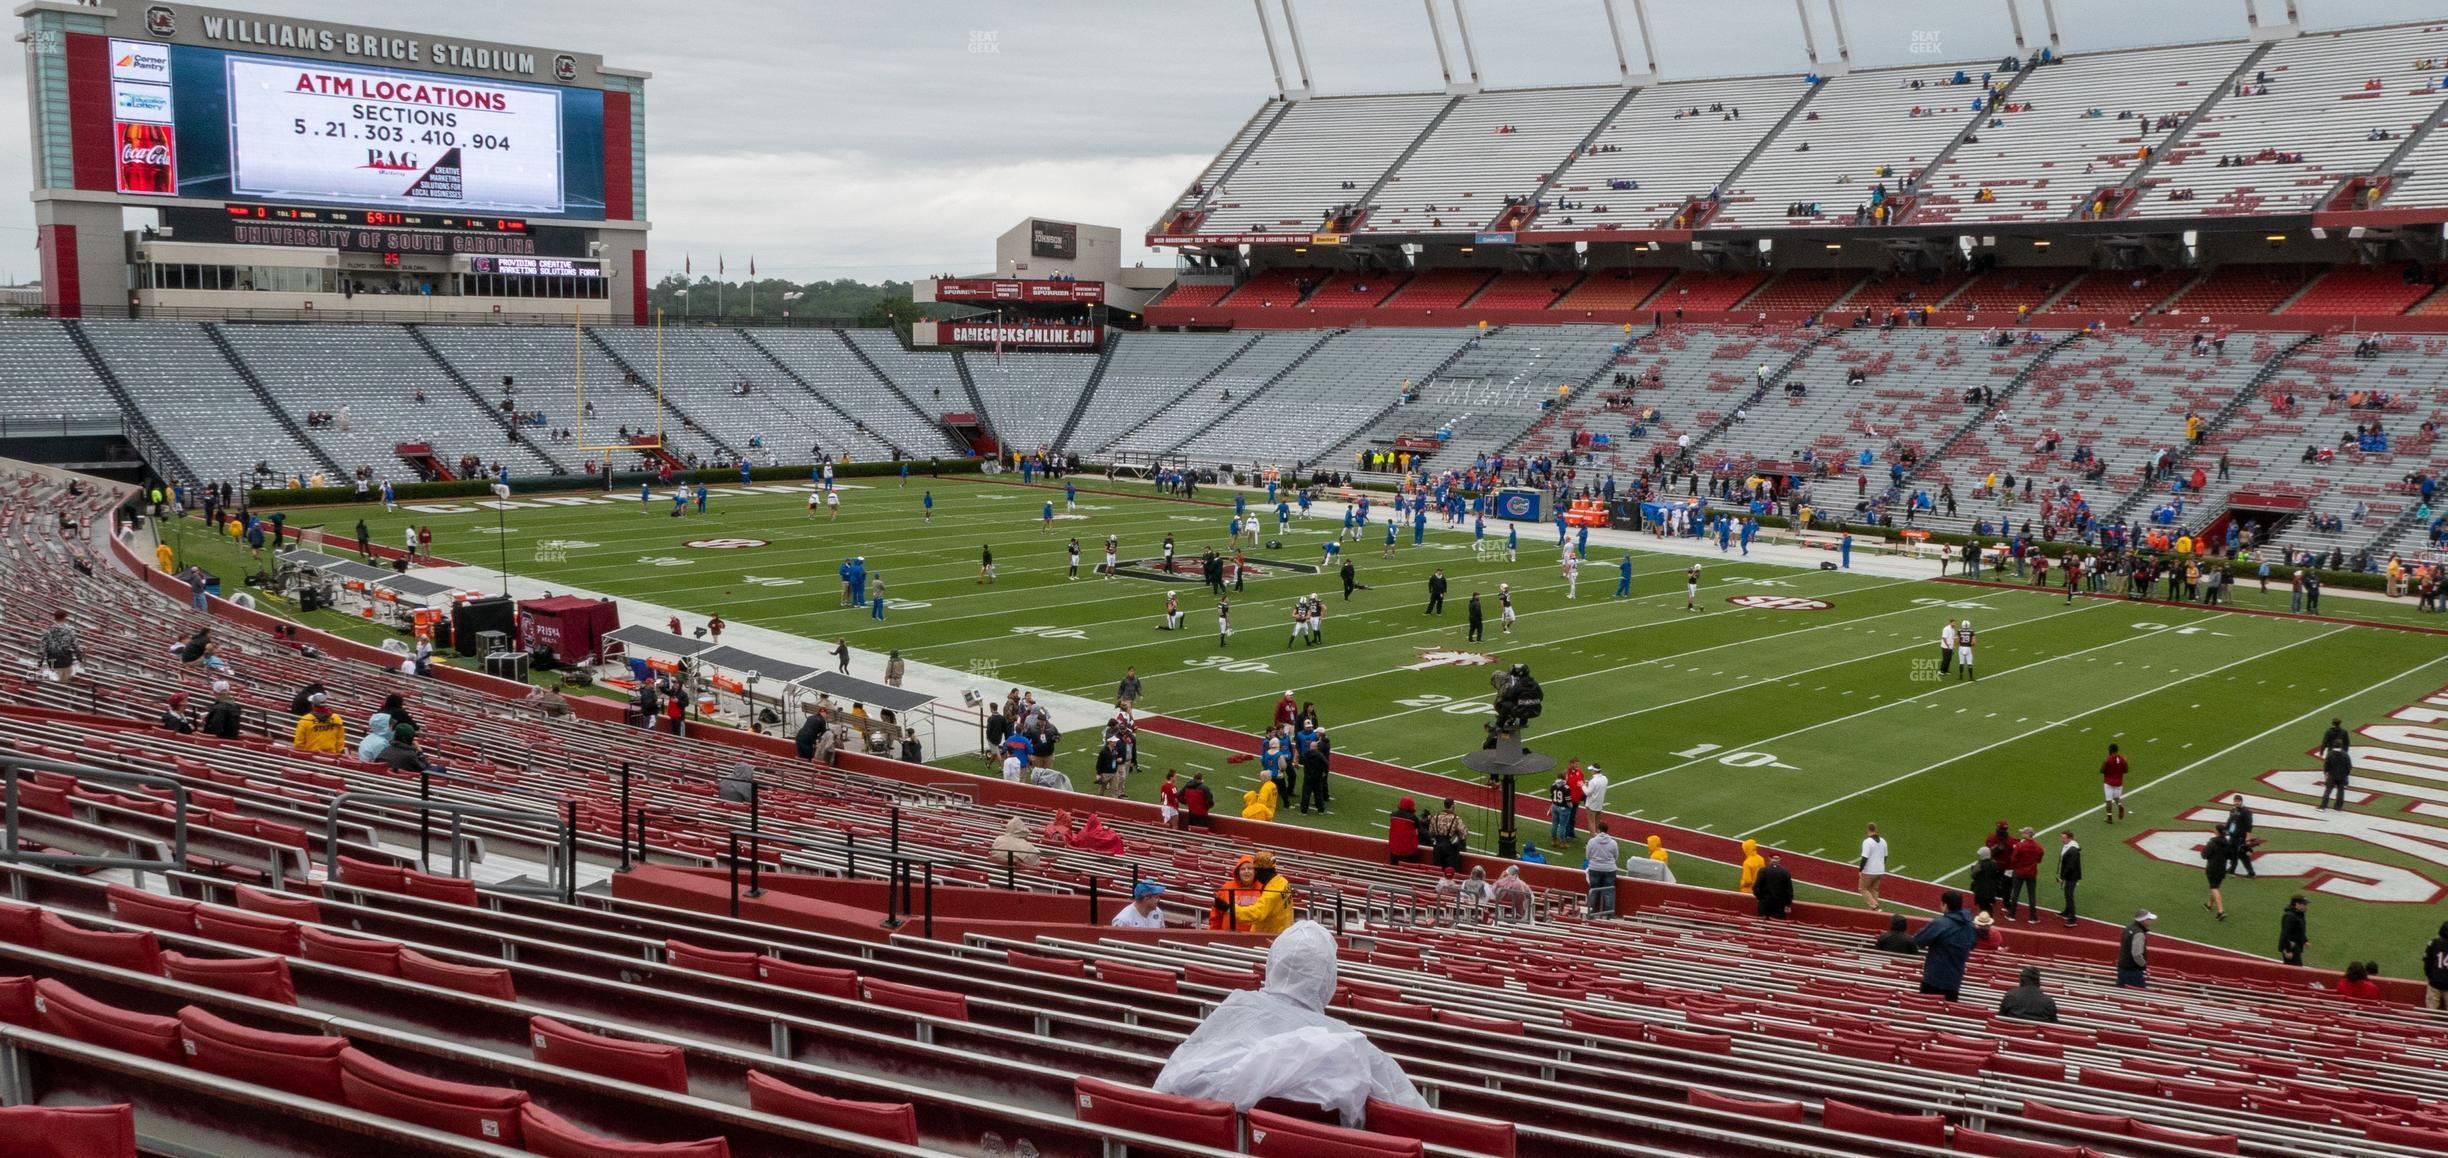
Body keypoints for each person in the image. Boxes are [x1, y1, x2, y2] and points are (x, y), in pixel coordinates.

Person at [1153, 921, 1429, 1125]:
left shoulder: (1233, 1010)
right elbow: (1417, 1118)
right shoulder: (1353, 1046)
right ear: (1328, 978)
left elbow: (1168, 1087)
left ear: (1273, 963)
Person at [1910, 891, 1978, 1000]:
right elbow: (1972, 944)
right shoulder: (1970, 927)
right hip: (1954, 981)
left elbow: (1918, 940)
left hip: (1933, 978)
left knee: (1925, 1007)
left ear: (1945, 905)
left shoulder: (1940, 924)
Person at [1227, 851, 1294, 934]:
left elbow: (1256, 914)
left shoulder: (1271, 893)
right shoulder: (1283, 881)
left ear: (1261, 872)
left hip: (1269, 937)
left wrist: (1230, 909)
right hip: (1283, 931)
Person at [1996, 966, 2060, 1022]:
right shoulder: (2048, 1002)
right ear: (2038, 982)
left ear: (2021, 980)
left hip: (2011, 1032)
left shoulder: (2010, 996)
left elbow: (2000, 1018)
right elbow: (2053, 1025)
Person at [2007, 826, 2043, 923]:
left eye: (2023, 832)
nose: (2022, 834)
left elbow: (2013, 859)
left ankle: (2012, 915)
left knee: (2015, 893)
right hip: (2031, 873)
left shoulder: (2020, 846)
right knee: (2032, 895)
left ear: (2028, 834)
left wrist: (2016, 866)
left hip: (2019, 872)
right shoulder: (2038, 847)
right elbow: (2039, 860)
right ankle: (2033, 917)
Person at [1585, 822, 1620, 917]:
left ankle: (1590, 912)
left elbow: (1588, 855)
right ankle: (1609, 914)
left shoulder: (1592, 841)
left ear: (1598, 830)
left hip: (1595, 868)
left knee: (1593, 890)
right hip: (1609, 869)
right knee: (1608, 891)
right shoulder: (1613, 843)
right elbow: (1616, 856)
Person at [2319, 716, 2354, 810]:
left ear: (2332, 723)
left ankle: (2323, 805)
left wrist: (2322, 751)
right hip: (2342, 775)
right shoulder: (2344, 732)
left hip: (2332, 773)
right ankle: (2338, 807)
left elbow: (2324, 742)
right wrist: (2346, 774)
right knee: (2341, 790)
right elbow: (2349, 766)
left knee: (2328, 789)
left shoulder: (2329, 732)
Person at [1425, 799, 1468, 871]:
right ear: (1452, 806)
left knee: (1437, 870)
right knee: (1450, 871)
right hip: (1450, 848)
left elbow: (1431, 833)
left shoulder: (1435, 817)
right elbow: (1464, 834)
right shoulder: (1456, 819)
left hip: (1438, 846)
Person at [2117, 909, 2157, 987]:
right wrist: (2143, 964)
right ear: (2143, 921)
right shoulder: (2139, 933)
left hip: (2123, 966)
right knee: (2139, 992)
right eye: (2149, 919)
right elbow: (2137, 954)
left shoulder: (2129, 928)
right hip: (2133, 970)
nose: (2151, 921)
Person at [1858, 822, 1889, 912]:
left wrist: (1860, 869)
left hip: (1869, 870)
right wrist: (1881, 866)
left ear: (1868, 829)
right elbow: (1885, 856)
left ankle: (1875, 906)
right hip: (1880, 870)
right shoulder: (1883, 841)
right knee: (1874, 889)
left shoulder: (1867, 842)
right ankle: (1874, 909)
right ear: (1875, 829)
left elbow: (1864, 857)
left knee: (1862, 888)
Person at [2202, 829, 2232, 921]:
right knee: (2215, 886)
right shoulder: (2227, 843)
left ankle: (2220, 911)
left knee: (2214, 888)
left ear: (2217, 832)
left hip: (2212, 868)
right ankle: (2210, 905)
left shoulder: (2212, 842)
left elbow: (2204, 855)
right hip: (2222, 868)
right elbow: (2231, 856)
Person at [1752, 851, 1793, 919]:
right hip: (1779, 905)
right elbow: (1789, 891)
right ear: (1780, 859)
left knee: (1762, 923)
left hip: (1764, 903)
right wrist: (1788, 904)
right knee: (1775, 924)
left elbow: (1756, 887)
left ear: (1769, 858)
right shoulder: (1785, 872)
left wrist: (1760, 898)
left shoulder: (1763, 870)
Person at [2056, 831, 2083, 928]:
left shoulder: (2072, 850)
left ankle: (2072, 919)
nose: (2062, 840)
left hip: (2071, 876)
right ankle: (2067, 912)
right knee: (2067, 895)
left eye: (2064, 838)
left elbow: (2070, 866)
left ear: (2070, 838)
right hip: (2070, 875)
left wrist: (2062, 877)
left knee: (2069, 896)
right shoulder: (2069, 847)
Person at [1386, 796, 1421, 865]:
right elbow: (1418, 829)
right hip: (1408, 850)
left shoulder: (1393, 815)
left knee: (1393, 868)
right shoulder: (1413, 818)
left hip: (1394, 848)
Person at [2099, 743, 2128, 822]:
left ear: (2110, 750)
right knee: (2116, 797)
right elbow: (2126, 770)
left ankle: (2109, 818)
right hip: (2119, 782)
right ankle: (2120, 805)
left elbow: (2101, 770)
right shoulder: (2123, 759)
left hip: (2108, 782)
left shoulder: (2107, 759)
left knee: (2108, 800)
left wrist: (2105, 764)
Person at [2279, 895, 2309, 966]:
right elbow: (2285, 934)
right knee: (2295, 970)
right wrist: (2288, 951)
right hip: (2290, 947)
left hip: (2296, 946)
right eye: (2304, 904)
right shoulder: (2289, 917)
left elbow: (2299, 930)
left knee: (2293, 969)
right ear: (2296, 904)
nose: (2305, 906)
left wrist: (2305, 940)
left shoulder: (2300, 914)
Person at [2424, 920, 2448, 1009]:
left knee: (2431, 1012)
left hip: (2434, 982)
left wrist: (2430, 976)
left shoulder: (2433, 943)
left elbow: (2427, 961)